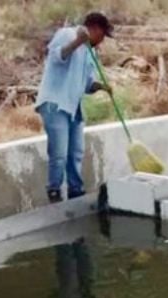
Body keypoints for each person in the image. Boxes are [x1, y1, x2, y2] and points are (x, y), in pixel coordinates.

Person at [35, 11, 115, 204]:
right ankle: (54, 191)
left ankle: (75, 191)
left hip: (74, 106)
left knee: (76, 152)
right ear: (94, 28)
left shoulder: (91, 51)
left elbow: (87, 84)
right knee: (59, 153)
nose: (102, 41)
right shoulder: (68, 34)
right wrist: (78, 42)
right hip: (55, 103)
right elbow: (55, 57)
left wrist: (101, 86)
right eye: (102, 36)